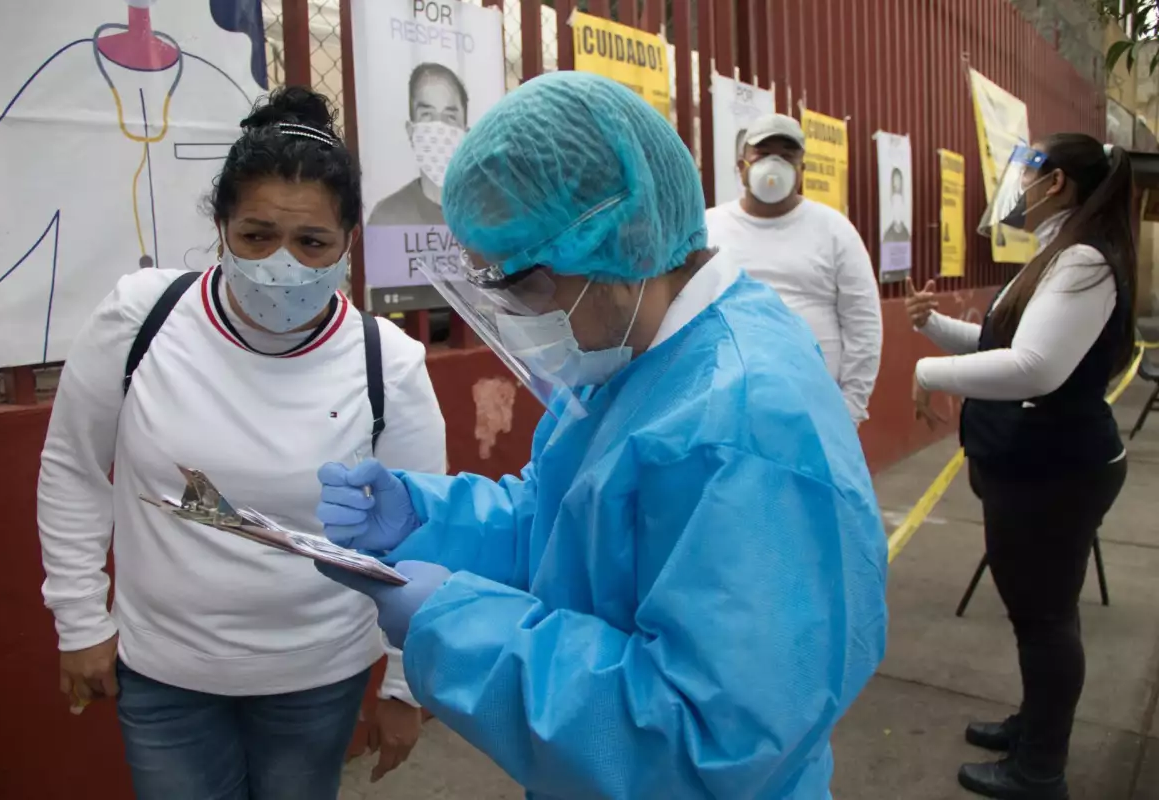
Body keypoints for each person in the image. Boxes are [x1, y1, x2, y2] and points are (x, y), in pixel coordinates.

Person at [314, 71, 888, 799]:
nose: (515, 316)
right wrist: (427, 519)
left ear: (620, 240)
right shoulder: (638, 358)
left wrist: (454, 623)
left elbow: (702, 745)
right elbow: (567, 528)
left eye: (520, 286)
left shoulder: (741, 425)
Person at [36, 87, 446, 799]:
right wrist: (79, 619)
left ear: (349, 242)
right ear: (221, 227)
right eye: (257, 236)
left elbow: (421, 533)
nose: (281, 263)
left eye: (312, 242)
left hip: (318, 679)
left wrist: (406, 684)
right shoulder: (142, 321)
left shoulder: (389, 362)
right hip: (164, 676)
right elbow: (73, 465)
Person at [908, 134, 1135, 800]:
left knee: (1044, 619)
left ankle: (1040, 769)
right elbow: (1006, 344)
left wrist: (927, 373)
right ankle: (1033, 726)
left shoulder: (1083, 260)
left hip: (1056, 471)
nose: (1019, 189)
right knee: (1033, 614)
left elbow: (1036, 367)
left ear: (1057, 182)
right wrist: (935, 329)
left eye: (1029, 175)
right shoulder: (1059, 252)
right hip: (1031, 466)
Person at [705, 113, 883, 424]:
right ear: (741, 166)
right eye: (762, 155)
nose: (774, 166)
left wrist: (850, 409)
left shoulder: (835, 231)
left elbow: (863, 322)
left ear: (802, 170)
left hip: (815, 414)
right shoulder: (708, 228)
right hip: (726, 412)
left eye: (787, 156)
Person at [366, 62, 468, 226]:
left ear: (466, 135)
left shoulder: (487, 214)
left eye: (450, 117)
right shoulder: (387, 218)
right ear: (411, 131)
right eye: (427, 115)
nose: (438, 126)